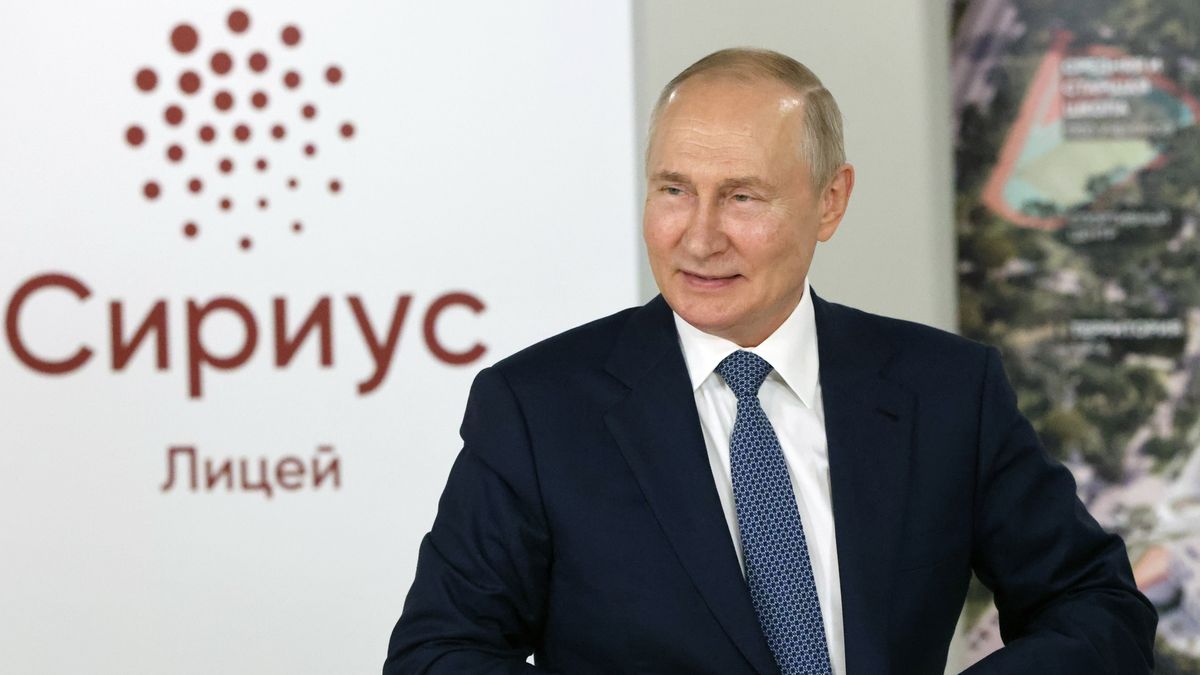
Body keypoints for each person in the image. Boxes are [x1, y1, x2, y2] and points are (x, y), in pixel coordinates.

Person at [383, 48, 1156, 674]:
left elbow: (1096, 605)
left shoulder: (948, 389)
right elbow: (437, 652)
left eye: (743, 197)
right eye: (674, 189)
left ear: (830, 201)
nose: (699, 234)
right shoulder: (536, 407)